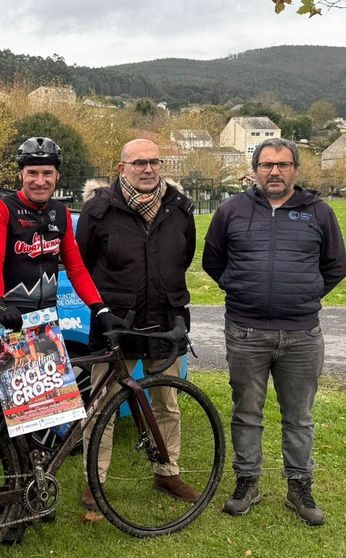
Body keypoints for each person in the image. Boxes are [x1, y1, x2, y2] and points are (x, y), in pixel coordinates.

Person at [0, 137, 125, 540]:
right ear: (21, 175)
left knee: (47, 414)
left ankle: (33, 494)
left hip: (48, 324)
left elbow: (76, 267)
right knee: (14, 419)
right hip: (11, 323)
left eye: (47, 173)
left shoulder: (61, 213)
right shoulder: (3, 208)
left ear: (57, 175)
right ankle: (12, 507)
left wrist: (99, 308)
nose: (40, 180)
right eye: (33, 173)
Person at [202, 138, 346, 526]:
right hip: (246, 332)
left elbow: (336, 266)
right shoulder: (231, 211)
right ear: (254, 170)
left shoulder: (318, 212)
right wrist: (239, 287)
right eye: (267, 165)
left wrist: (306, 294)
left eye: (283, 165)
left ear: (295, 170)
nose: (275, 172)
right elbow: (212, 260)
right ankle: (247, 481)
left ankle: (299, 487)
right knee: (247, 412)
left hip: (301, 334)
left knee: (298, 417)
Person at [77, 138, 199, 512]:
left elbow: (185, 256)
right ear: (121, 168)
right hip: (118, 325)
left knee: (168, 403)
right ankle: (94, 483)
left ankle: (167, 470)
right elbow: (82, 263)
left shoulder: (179, 208)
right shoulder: (99, 210)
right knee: (103, 408)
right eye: (138, 163)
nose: (147, 169)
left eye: (154, 162)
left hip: (166, 321)